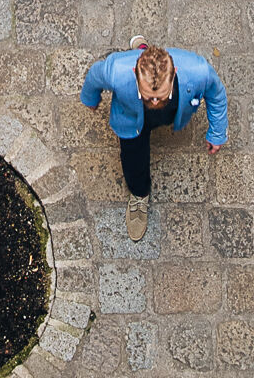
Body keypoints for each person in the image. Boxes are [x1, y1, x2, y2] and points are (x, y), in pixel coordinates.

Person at [80, 40, 227, 242]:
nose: (155, 102)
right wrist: (90, 98)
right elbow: (94, 77)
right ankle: (139, 194)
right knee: (133, 158)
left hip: (173, 112)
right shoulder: (115, 70)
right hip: (131, 120)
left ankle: (142, 50)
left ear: (174, 73)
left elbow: (216, 95)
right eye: (148, 97)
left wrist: (217, 133)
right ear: (134, 72)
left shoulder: (199, 71)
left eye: (161, 96)